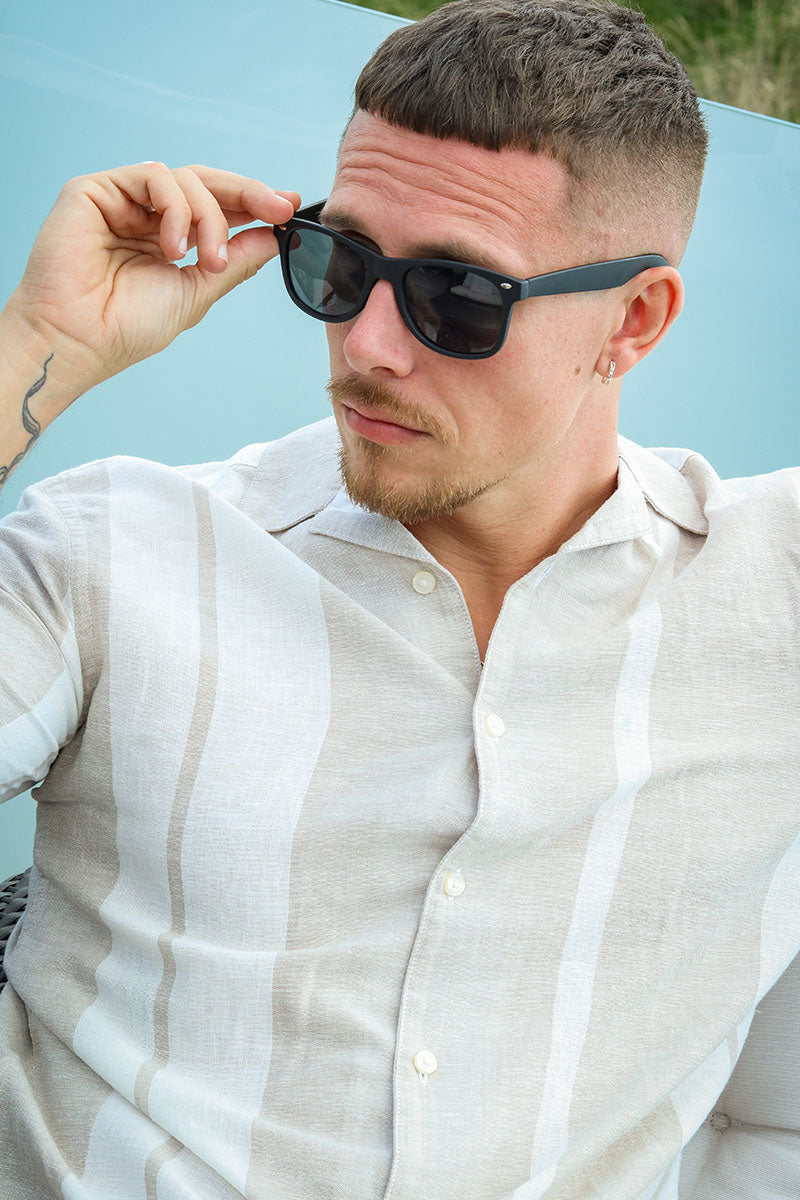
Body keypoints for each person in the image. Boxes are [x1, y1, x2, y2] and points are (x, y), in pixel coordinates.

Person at [0, 0, 797, 1196]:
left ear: (632, 321)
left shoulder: (769, 594)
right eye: (340, 264)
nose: (368, 345)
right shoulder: (115, 553)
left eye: (456, 296)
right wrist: (34, 344)